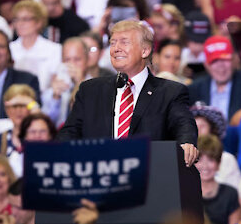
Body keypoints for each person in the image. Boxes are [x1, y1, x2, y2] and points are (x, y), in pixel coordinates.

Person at [58, 20, 199, 167]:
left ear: (145, 50)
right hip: (99, 178)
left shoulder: (170, 92)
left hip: (148, 178)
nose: (116, 49)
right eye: (113, 43)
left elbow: (184, 125)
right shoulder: (90, 90)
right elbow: (69, 134)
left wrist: (187, 143)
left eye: (124, 42)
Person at [188, 35, 241, 121]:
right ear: (206, 65)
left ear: (234, 60)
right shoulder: (193, 90)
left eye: (225, 59)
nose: (220, 66)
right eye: (214, 61)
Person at [10, 0, 62, 92]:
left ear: (39, 22)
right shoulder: (9, 49)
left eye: (25, 19)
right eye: (16, 19)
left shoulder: (54, 50)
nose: (20, 24)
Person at [195, 134, 240, 224]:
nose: (205, 166)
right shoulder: (184, 194)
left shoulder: (231, 194)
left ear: (219, 164)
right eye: (200, 159)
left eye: (211, 159)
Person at [0, 84, 39, 177]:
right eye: (15, 106)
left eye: (23, 105)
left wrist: (33, 105)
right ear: (7, 110)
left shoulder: (40, 136)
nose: (19, 110)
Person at [190, 103, 241, 189]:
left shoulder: (227, 159)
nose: (197, 131)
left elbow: (235, 192)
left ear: (212, 129)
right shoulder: (181, 159)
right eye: (193, 126)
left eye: (202, 126)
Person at [42, 37, 89, 127]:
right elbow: (46, 124)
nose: (72, 64)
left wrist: (80, 83)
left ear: (87, 60)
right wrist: (55, 97)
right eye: (67, 60)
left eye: (77, 59)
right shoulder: (55, 87)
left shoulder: (97, 85)